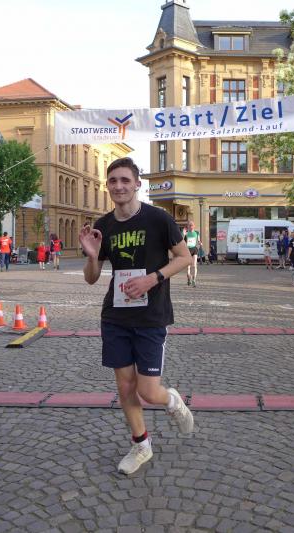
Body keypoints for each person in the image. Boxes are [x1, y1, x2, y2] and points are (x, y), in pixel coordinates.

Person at [79, 157, 194, 474]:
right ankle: (141, 444)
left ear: (137, 184)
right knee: (126, 387)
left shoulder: (158, 218)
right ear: (107, 185)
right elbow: (91, 278)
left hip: (151, 316)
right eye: (113, 180)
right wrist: (92, 257)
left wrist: (152, 278)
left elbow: (184, 257)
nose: (118, 186)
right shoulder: (104, 225)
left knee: (148, 391)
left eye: (125, 180)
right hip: (115, 316)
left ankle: (172, 401)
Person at [183, 221, 201, 287]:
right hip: (188, 250)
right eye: (190, 225)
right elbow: (182, 242)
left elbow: (198, 240)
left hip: (194, 250)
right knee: (188, 267)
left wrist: (200, 243)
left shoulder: (197, 233)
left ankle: (194, 280)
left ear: (194, 226)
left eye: (192, 225)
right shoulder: (186, 233)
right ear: (188, 226)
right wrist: (183, 235)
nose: (191, 226)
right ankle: (189, 278)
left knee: (194, 265)